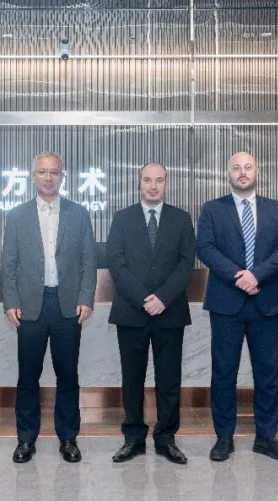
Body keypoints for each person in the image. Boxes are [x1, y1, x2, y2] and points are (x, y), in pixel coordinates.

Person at [196, 152, 278, 462]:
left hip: (265, 302)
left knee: (267, 373)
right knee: (224, 372)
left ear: (257, 171)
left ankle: (266, 437)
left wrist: (256, 275)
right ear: (228, 173)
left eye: (248, 167)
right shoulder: (212, 209)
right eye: (236, 168)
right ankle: (224, 437)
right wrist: (240, 277)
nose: (242, 172)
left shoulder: (277, 210)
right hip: (226, 303)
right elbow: (205, 248)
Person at [2, 152, 97, 464]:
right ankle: (26, 439)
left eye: (54, 172)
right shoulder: (17, 216)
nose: (48, 177)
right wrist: (11, 301)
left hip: (67, 305)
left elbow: (88, 261)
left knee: (67, 374)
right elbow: (9, 264)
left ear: (62, 177)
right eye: (42, 172)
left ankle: (68, 437)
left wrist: (86, 298)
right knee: (28, 376)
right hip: (30, 306)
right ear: (33, 177)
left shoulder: (79, 214)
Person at [106, 162, 195, 465]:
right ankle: (133, 438)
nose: (153, 186)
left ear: (166, 184)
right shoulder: (122, 218)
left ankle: (166, 439)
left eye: (159, 180)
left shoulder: (181, 219)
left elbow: (186, 264)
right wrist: (144, 299)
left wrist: (163, 298)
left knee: (169, 380)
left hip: (170, 312)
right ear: (139, 183)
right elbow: (116, 262)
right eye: (147, 180)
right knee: (132, 379)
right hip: (132, 312)